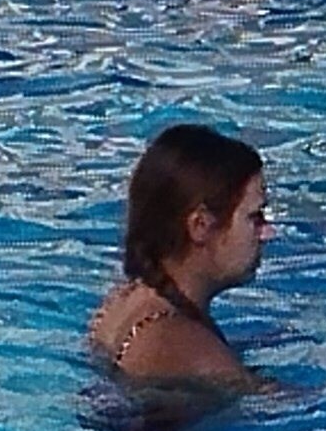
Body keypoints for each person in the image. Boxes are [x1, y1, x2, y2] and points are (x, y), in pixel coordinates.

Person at [88, 123, 269, 397]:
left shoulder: (125, 304)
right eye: (255, 217)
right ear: (200, 226)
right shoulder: (192, 350)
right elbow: (286, 407)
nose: (268, 232)